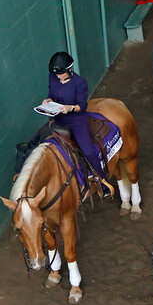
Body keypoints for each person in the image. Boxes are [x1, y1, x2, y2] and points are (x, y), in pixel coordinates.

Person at [44, 51, 111, 196]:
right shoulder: (53, 78)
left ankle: (102, 181)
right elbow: (51, 94)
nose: (58, 76)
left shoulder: (79, 83)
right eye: (56, 74)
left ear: (69, 70)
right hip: (58, 118)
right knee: (37, 142)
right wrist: (47, 101)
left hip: (75, 121)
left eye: (61, 73)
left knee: (87, 151)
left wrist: (71, 108)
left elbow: (83, 105)